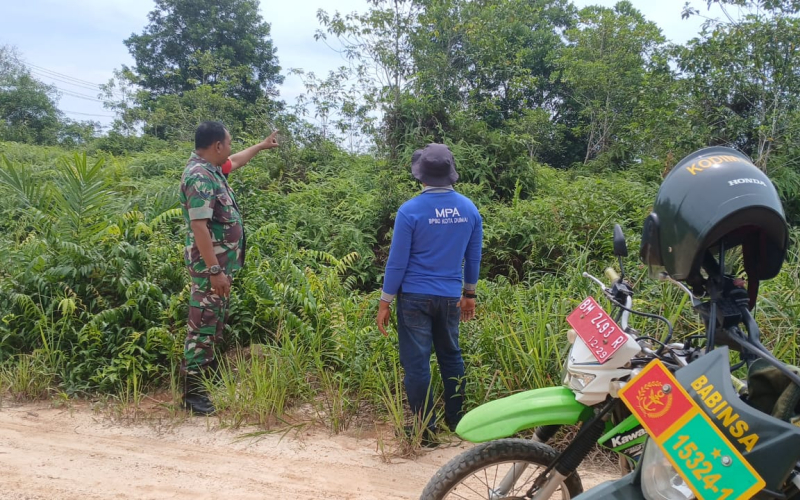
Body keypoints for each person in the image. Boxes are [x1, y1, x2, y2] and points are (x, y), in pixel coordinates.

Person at [376, 143, 483, 443]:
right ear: (450, 174)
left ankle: (425, 429)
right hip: (450, 297)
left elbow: (397, 262)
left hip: (414, 298)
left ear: (421, 175)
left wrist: (385, 301)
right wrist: (469, 295)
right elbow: (473, 258)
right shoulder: (469, 209)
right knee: (451, 355)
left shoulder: (409, 211)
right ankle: (458, 419)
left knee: (417, 363)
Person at [179, 121, 279, 415]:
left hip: (220, 269)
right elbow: (199, 227)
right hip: (210, 270)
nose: (231, 148)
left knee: (214, 323)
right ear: (217, 145)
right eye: (229, 142)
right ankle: (193, 394)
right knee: (202, 325)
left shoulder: (212, 169)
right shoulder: (198, 176)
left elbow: (235, 161)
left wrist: (260, 147)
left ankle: (206, 379)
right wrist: (213, 271)